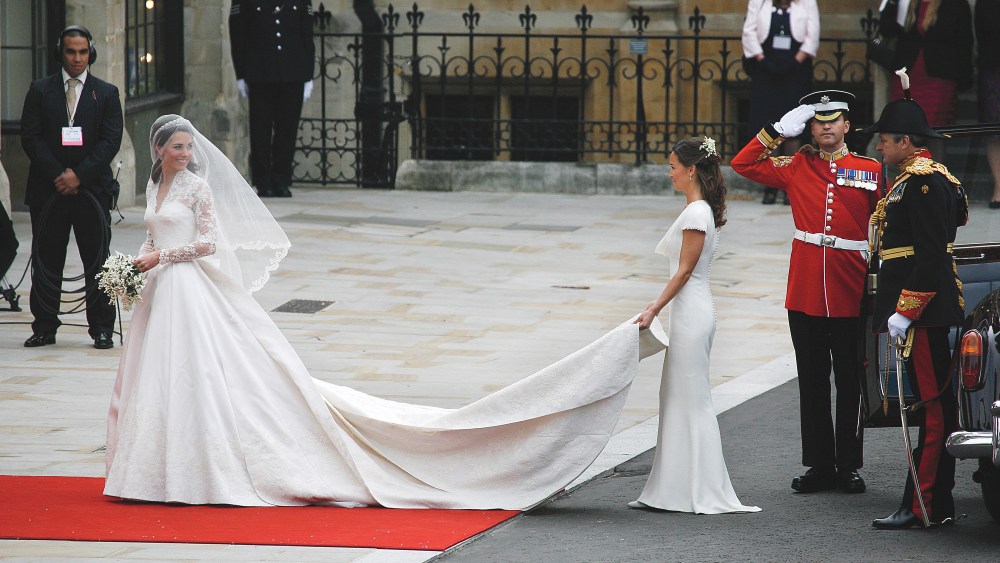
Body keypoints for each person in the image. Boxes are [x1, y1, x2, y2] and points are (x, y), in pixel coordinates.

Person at [104, 114, 672, 509]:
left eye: (188, 146)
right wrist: (133, 269)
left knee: (207, 372)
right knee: (160, 376)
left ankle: (202, 467)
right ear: (159, 152)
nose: (185, 153)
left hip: (188, 285)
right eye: (177, 147)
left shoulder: (199, 188)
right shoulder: (155, 187)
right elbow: (156, 231)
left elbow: (207, 243)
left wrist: (156, 258)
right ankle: (156, 466)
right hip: (163, 290)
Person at [731, 90, 881, 495]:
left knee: (850, 381)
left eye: (833, 120)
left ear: (847, 125)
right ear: (810, 128)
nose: (826, 126)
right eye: (818, 121)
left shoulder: (870, 169)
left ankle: (848, 464)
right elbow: (742, 163)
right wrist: (777, 131)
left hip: (850, 284)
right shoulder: (797, 165)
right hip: (806, 287)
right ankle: (819, 464)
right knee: (813, 380)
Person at [627, 137, 761, 514]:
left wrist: (653, 308)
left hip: (692, 313)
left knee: (693, 400)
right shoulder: (698, 211)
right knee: (677, 398)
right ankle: (671, 490)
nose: (669, 173)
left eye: (673, 166)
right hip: (689, 312)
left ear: (691, 170)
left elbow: (685, 271)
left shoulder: (697, 214)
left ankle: (701, 489)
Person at [868, 70, 965, 530]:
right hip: (922, 309)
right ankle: (934, 500)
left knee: (929, 409)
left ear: (906, 142)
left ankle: (924, 502)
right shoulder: (922, 176)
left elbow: (928, 255)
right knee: (930, 407)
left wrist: (905, 312)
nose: (879, 149)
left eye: (885, 141)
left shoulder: (923, 183)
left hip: (922, 312)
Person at [20, 25, 122, 349]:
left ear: (91, 52)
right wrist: (59, 175)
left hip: (91, 191)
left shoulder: (106, 93)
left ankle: (102, 328)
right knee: (47, 259)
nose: (77, 58)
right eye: (70, 51)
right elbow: (31, 137)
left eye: (82, 52)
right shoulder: (40, 90)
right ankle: (45, 326)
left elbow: (110, 141)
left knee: (97, 259)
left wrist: (80, 175)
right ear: (60, 52)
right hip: (49, 190)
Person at [229, 0, 315, 198]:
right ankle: (263, 180)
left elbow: (306, 34)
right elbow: (238, 33)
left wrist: (308, 74)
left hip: (293, 72)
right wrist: (241, 73)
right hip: (260, 73)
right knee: (261, 129)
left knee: (287, 129)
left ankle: (282, 179)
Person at [742, 0, 819, 205]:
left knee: (794, 124)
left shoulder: (806, 3)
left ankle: (789, 183)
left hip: (795, 72)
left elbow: (812, 36)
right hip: (766, 72)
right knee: (769, 124)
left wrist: (795, 62)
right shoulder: (759, 3)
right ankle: (771, 184)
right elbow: (749, 31)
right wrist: (762, 60)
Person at [878, 0, 973, 159]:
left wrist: (964, 79)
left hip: (938, 80)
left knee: (934, 133)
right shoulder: (906, 3)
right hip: (907, 78)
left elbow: (964, 43)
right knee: (903, 134)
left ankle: (934, 180)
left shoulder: (956, 4)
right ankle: (907, 180)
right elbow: (887, 30)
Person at [975, 0, 1000, 208]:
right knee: (993, 130)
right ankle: (999, 188)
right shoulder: (986, 3)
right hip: (993, 70)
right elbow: (981, 33)